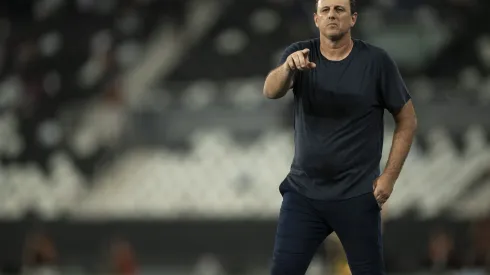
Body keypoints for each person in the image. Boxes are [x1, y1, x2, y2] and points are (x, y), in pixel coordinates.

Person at [262, 0, 417, 274]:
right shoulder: (299, 54)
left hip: (357, 195)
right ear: (316, 19)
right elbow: (271, 91)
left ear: (353, 18)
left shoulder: (376, 62)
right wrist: (288, 68)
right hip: (303, 194)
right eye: (325, 10)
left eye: (339, 9)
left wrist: (389, 178)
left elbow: (407, 120)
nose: (332, 15)